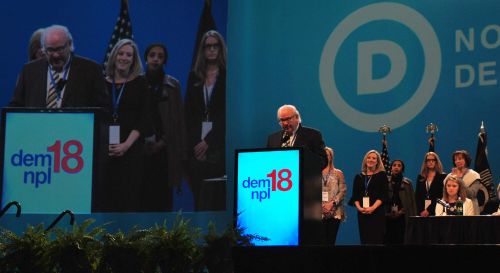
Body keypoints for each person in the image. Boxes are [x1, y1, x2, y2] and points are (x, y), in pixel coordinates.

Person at [100, 38, 150, 212]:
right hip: (105, 151)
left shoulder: (141, 83)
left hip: (131, 150)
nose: (124, 57)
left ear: (134, 59)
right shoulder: (102, 82)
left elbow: (144, 119)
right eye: (121, 53)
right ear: (114, 56)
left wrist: (126, 145)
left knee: (128, 198)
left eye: (129, 55)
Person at [10, 24, 109, 108]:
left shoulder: (91, 70)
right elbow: (16, 106)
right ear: (43, 49)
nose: (56, 55)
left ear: (70, 45)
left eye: (60, 49)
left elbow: (102, 109)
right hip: (38, 129)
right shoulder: (29, 71)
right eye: (50, 50)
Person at [185, 30, 227, 211]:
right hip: (196, 145)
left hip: (218, 143)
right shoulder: (194, 77)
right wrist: (198, 143)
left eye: (215, 46)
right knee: (198, 196)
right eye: (207, 46)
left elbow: (227, 113)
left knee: (216, 197)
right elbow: (188, 114)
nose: (211, 50)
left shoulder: (228, 75)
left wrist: (208, 141)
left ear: (220, 48)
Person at [142, 43, 187, 211]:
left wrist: (163, 143)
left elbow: (178, 121)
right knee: (141, 198)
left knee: (163, 200)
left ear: (165, 61)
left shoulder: (172, 85)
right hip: (141, 150)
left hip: (165, 151)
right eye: (152, 55)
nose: (156, 59)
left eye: (160, 56)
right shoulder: (137, 83)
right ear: (146, 58)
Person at [349, 150, 388, 245]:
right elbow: (355, 196)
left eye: (374, 158)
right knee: (364, 240)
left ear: (377, 161)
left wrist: (372, 208)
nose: (371, 160)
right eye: (369, 157)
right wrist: (360, 208)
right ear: (365, 160)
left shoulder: (382, 175)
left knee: (376, 240)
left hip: (377, 212)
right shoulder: (359, 177)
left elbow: (383, 195)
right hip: (362, 213)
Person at [385, 159, 416, 245]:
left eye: (399, 165)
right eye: (394, 165)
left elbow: (411, 202)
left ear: (402, 169)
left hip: (403, 217)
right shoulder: (385, 182)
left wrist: (402, 211)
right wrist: (388, 213)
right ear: (391, 168)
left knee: (402, 240)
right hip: (388, 217)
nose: (396, 167)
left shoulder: (407, 183)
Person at [321, 147, 346, 245]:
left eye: (327, 155)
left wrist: (332, 203)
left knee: (331, 241)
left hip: (335, 211)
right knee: (321, 241)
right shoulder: (314, 172)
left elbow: (342, 191)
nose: (325, 157)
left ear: (331, 157)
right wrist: (322, 206)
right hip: (319, 212)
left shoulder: (338, 173)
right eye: (323, 155)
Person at [444, 150, 482, 214]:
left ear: (466, 160)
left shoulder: (474, 175)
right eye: (455, 159)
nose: (457, 161)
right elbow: (445, 194)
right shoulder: (449, 176)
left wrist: (459, 179)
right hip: (451, 209)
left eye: (460, 159)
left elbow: (472, 194)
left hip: (470, 209)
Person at [415, 152, 446, 217]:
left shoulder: (442, 177)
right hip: (421, 212)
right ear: (425, 162)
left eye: (433, 160)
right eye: (428, 160)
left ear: (436, 162)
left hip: (436, 210)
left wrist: (429, 210)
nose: (431, 162)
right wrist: (421, 210)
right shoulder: (420, 177)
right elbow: (417, 196)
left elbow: (441, 196)